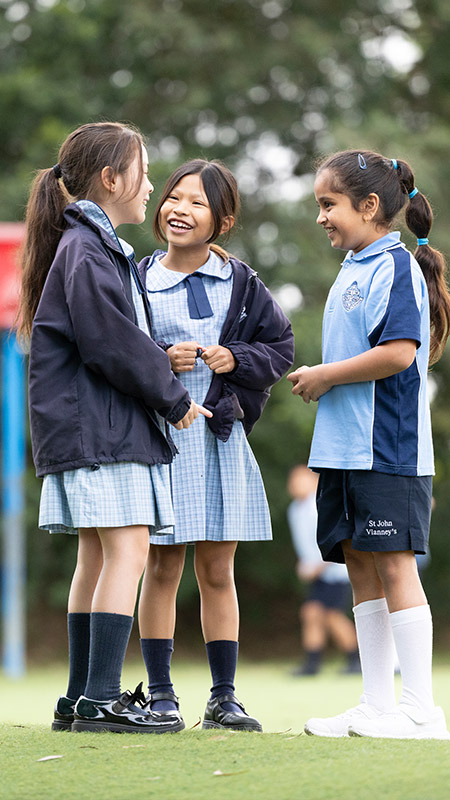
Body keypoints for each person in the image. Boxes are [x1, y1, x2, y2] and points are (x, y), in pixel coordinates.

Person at [18, 122, 211, 734]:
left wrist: (155, 354)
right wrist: (172, 394)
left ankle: (80, 699)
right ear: (111, 179)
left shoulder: (83, 244)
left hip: (81, 428)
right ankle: (102, 699)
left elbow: (108, 336)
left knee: (96, 557)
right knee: (126, 552)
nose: (153, 186)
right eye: (146, 173)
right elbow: (107, 342)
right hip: (102, 429)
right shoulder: (88, 247)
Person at [288, 149, 450, 740]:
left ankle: (421, 710)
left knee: (395, 565)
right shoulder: (353, 266)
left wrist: (327, 374)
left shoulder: (395, 266)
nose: (322, 217)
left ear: (370, 205)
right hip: (342, 451)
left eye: (328, 205)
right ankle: (377, 704)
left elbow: (400, 352)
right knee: (358, 565)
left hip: (388, 450)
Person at [137, 158, 295, 732]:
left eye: (197, 202)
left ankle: (223, 699)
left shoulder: (243, 282)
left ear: (221, 220)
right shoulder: (136, 277)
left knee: (218, 570)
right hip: (159, 439)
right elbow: (114, 352)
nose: (180, 209)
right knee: (160, 567)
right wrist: (160, 361)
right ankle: (160, 696)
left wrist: (237, 359)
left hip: (221, 437)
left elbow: (280, 346)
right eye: (174, 197)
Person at [287, 465, 360, 676]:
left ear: (314, 482)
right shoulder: (295, 509)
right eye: (293, 479)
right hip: (317, 572)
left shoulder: (318, 505)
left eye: (301, 479)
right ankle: (312, 664)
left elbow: (335, 539)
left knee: (331, 616)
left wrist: (317, 566)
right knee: (311, 613)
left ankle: (356, 659)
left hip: (334, 571)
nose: (294, 484)